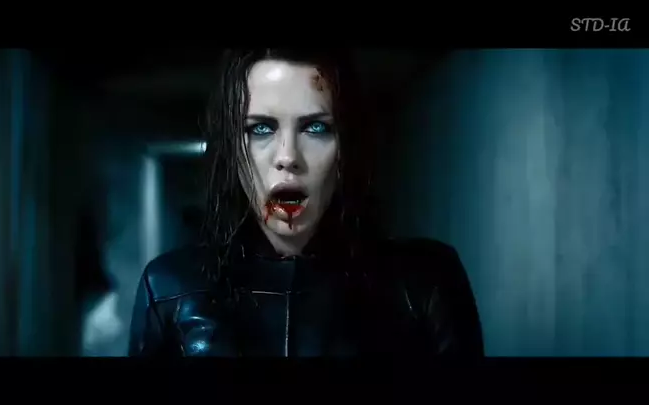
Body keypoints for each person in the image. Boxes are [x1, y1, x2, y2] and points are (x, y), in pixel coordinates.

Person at [128, 49, 484, 357]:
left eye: (316, 128)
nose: (288, 157)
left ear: (346, 147)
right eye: (261, 128)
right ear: (232, 148)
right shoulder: (168, 288)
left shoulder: (424, 283)